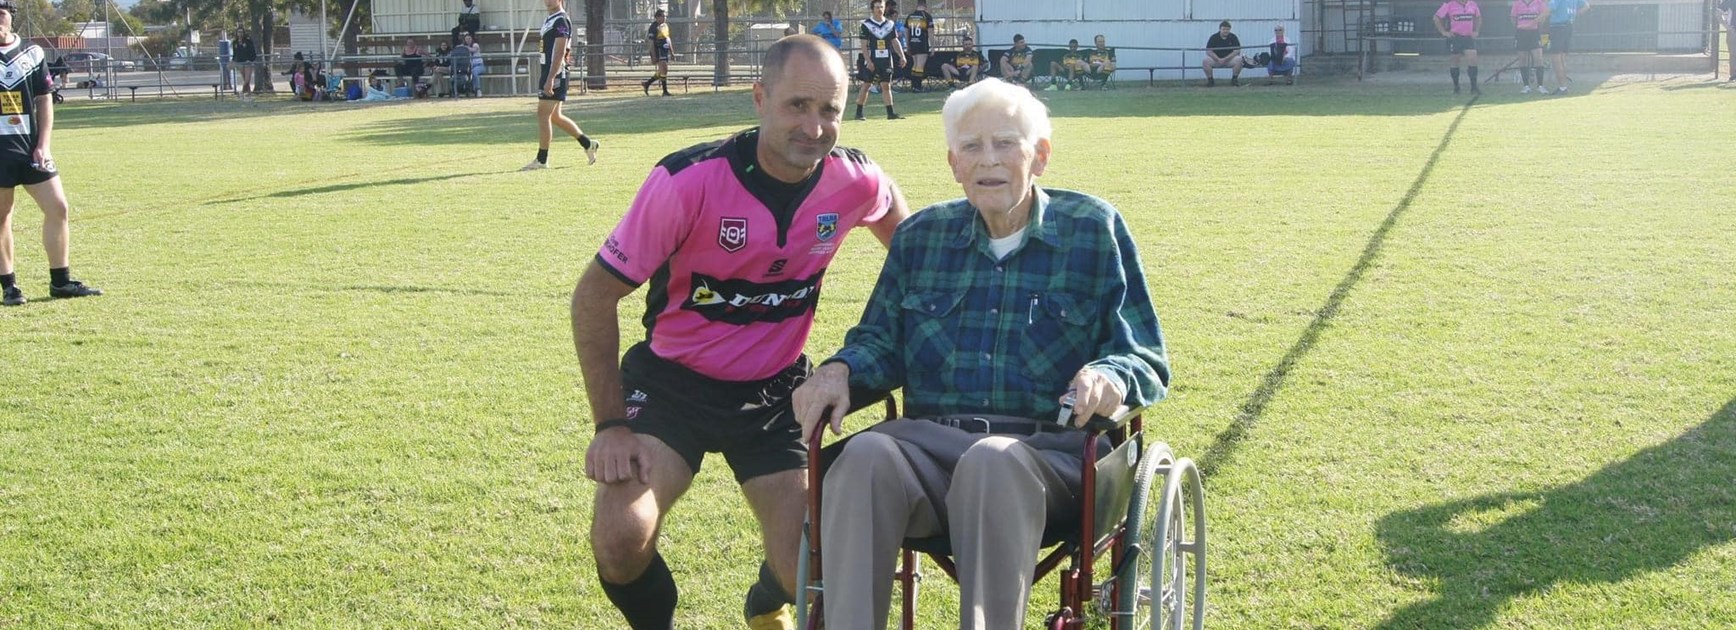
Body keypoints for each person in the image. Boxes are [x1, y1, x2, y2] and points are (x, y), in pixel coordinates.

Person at [792, 77, 1168, 630]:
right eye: (971, 146)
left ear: (1039, 157)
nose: (988, 160)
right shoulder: (921, 237)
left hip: (1048, 456)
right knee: (863, 459)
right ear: (953, 163)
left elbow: (1144, 356)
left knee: (992, 461)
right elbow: (880, 341)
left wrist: (1110, 374)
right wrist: (839, 369)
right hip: (931, 451)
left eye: (1006, 143)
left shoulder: (1094, 229)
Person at [575, 33, 911, 630]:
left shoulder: (856, 180)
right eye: (797, 105)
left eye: (829, 109)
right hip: (672, 387)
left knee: (811, 574)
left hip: (777, 393)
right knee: (620, 539)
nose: (814, 126)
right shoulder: (686, 181)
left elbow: (915, 259)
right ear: (759, 98)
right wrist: (610, 425)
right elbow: (594, 297)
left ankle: (766, 599)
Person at [0, 0, 101, 307]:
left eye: (0, 14)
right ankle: (10, 287)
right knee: (2, 217)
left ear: (10, 17)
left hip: (30, 147)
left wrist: (43, 144)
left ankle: (61, 281)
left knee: (58, 207)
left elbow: (44, 100)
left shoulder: (32, 53)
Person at [521, 0, 598, 171]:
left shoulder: (561, 20)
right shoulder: (551, 19)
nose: (548, 1)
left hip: (556, 73)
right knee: (555, 116)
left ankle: (542, 160)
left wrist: (550, 78)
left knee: (542, 114)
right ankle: (588, 144)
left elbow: (560, 51)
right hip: (549, 71)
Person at [854, 0, 906, 121]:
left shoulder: (889, 24)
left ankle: (890, 113)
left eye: (881, 7)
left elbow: (895, 41)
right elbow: (864, 45)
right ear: (872, 9)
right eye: (877, 7)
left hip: (886, 60)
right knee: (866, 85)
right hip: (873, 59)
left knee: (886, 85)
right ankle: (859, 112)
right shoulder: (866, 25)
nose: (879, 9)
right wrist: (869, 61)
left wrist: (902, 56)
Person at [1433, 0, 1482, 94]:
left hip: (1468, 37)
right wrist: (1444, 32)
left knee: (1473, 60)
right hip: (1455, 37)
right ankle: (1456, 87)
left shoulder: (1472, 4)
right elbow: (1436, 17)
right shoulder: (1449, 5)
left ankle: (1474, 87)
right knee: (1455, 61)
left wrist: (1476, 31)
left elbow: (1478, 17)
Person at [1544, 0, 1588, 93]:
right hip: (1568, 26)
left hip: (1557, 27)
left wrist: (1534, 21)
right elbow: (1586, 6)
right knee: (1562, 58)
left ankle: (1562, 87)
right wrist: (1573, 14)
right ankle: (1564, 86)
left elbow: (1549, 9)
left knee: (1556, 58)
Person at [1511, 0, 1548, 93]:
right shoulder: (1517, 3)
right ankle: (1526, 86)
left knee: (1539, 59)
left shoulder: (1539, 2)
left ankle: (1540, 85)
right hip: (1521, 33)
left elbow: (1543, 16)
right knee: (1522, 59)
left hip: (1534, 33)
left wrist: (1534, 25)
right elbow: (1513, 18)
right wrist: (1521, 26)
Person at [642, 8, 673, 96]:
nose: (664, 18)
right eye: (662, 16)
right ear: (657, 17)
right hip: (657, 50)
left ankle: (647, 83)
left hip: (664, 51)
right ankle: (665, 91)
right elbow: (651, 42)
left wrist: (672, 51)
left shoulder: (665, 26)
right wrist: (653, 55)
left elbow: (668, 39)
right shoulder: (653, 27)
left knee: (663, 70)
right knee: (664, 69)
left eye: (665, 16)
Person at [902, 1, 932, 91]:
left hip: (912, 43)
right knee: (920, 66)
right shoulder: (927, 16)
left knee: (915, 65)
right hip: (922, 44)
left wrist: (908, 45)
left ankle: (914, 85)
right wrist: (933, 46)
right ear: (925, 5)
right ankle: (918, 86)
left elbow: (906, 31)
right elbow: (930, 32)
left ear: (917, 5)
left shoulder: (910, 16)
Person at [1202, 21, 1243, 87]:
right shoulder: (1214, 37)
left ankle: (1234, 80)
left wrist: (1225, 59)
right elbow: (1209, 51)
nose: (1225, 31)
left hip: (1229, 60)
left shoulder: (1233, 37)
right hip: (1216, 60)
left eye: (1227, 29)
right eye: (1224, 29)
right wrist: (1218, 59)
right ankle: (1210, 81)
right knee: (1205, 61)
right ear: (1220, 29)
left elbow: (1237, 51)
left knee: (1239, 59)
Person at [1722, 0, 1735, 81]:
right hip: (1733, 29)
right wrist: (1726, 25)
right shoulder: (1730, 1)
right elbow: (1718, 12)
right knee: (1733, 53)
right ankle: (1734, 75)